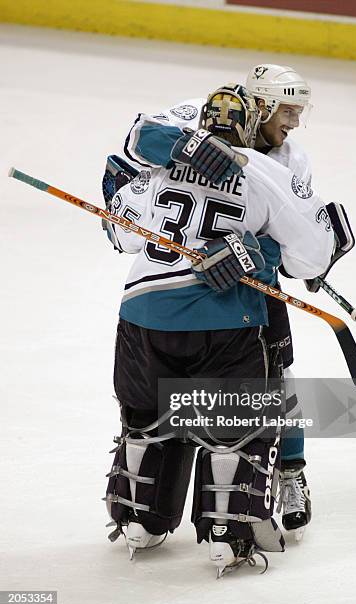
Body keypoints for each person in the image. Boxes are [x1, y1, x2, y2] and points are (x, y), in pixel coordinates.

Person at [103, 84, 335, 576]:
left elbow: (121, 230)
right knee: (235, 429)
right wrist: (263, 253)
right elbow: (311, 253)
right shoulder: (267, 173)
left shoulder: (164, 163)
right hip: (227, 324)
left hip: (142, 318)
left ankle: (139, 517)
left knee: (146, 417)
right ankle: (230, 534)